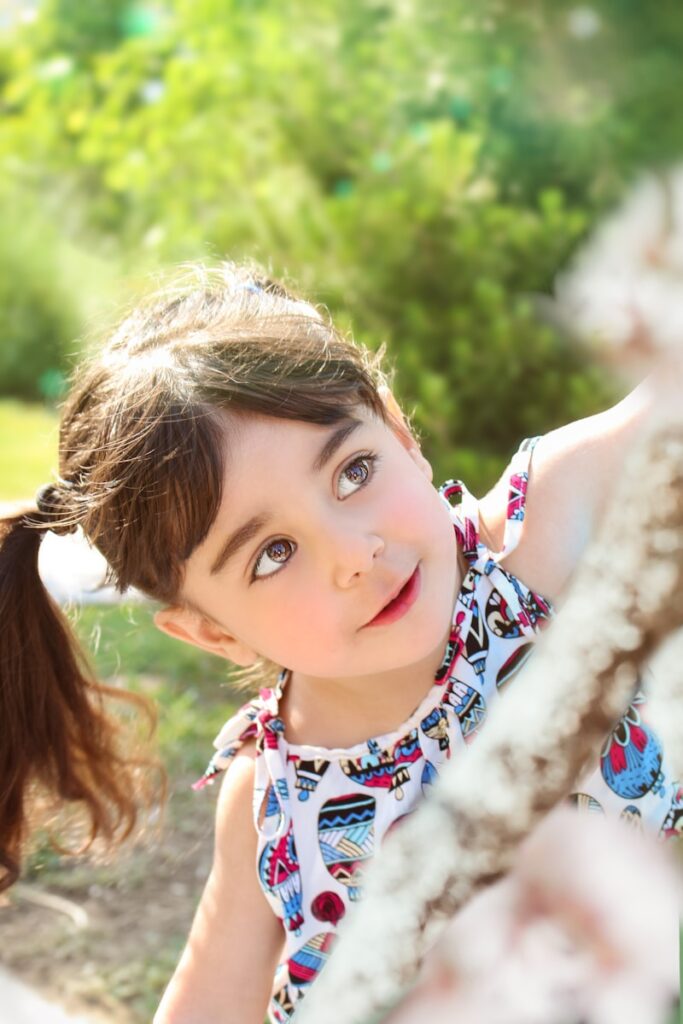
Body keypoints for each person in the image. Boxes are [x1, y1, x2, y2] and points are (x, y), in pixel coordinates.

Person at [0, 261, 678, 1024]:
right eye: (273, 554)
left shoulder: (548, 529)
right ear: (212, 631)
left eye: (354, 471)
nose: (353, 554)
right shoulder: (279, 801)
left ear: (399, 433)